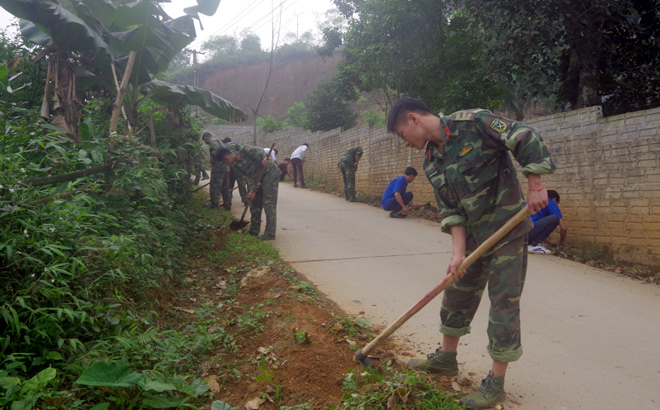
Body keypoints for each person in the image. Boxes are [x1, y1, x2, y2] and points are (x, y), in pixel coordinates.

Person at [387, 97, 555, 410]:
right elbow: (452, 211)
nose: (404, 142)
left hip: (507, 230)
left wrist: (535, 184)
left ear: (412, 119)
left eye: (401, 134)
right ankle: (446, 359)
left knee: (504, 304)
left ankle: (494, 383)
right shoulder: (431, 161)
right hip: (475, 238)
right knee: (457, 293)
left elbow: (524, 136)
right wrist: (457, 254)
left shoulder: (474, 122)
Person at [217, 145, 279, 240]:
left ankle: (270, 233)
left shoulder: (244, 150)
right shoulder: (236, 165)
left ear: (226, 158)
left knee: (268, 204)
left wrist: (264, 159)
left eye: (225, 162)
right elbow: (248, 177)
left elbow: (260, 151)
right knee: (254, 203)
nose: (227, 165)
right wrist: (251, 191)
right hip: (258, 179)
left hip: (269, 173)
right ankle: (254, 231)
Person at [527, 189, 567, 254]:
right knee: (555, 218)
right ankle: (534, 245)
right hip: (527, 232)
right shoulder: (550, 202)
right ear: (554, 199)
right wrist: (562, 242)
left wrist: (549, 242)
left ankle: (531, 245)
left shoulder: (533, 202)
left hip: (519, 234)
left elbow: (537, 232)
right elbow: (563, 228)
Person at [202, 132, 231, 210]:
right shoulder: (218, 141)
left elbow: (216, 149)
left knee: (215, 186)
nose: (206, 143)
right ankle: (227, 205)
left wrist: (212, 157)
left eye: (205, 141)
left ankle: (214, 205)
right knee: (225, 187)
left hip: (218, 168)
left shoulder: (213, 141)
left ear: (206, 138)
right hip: (225, 167)